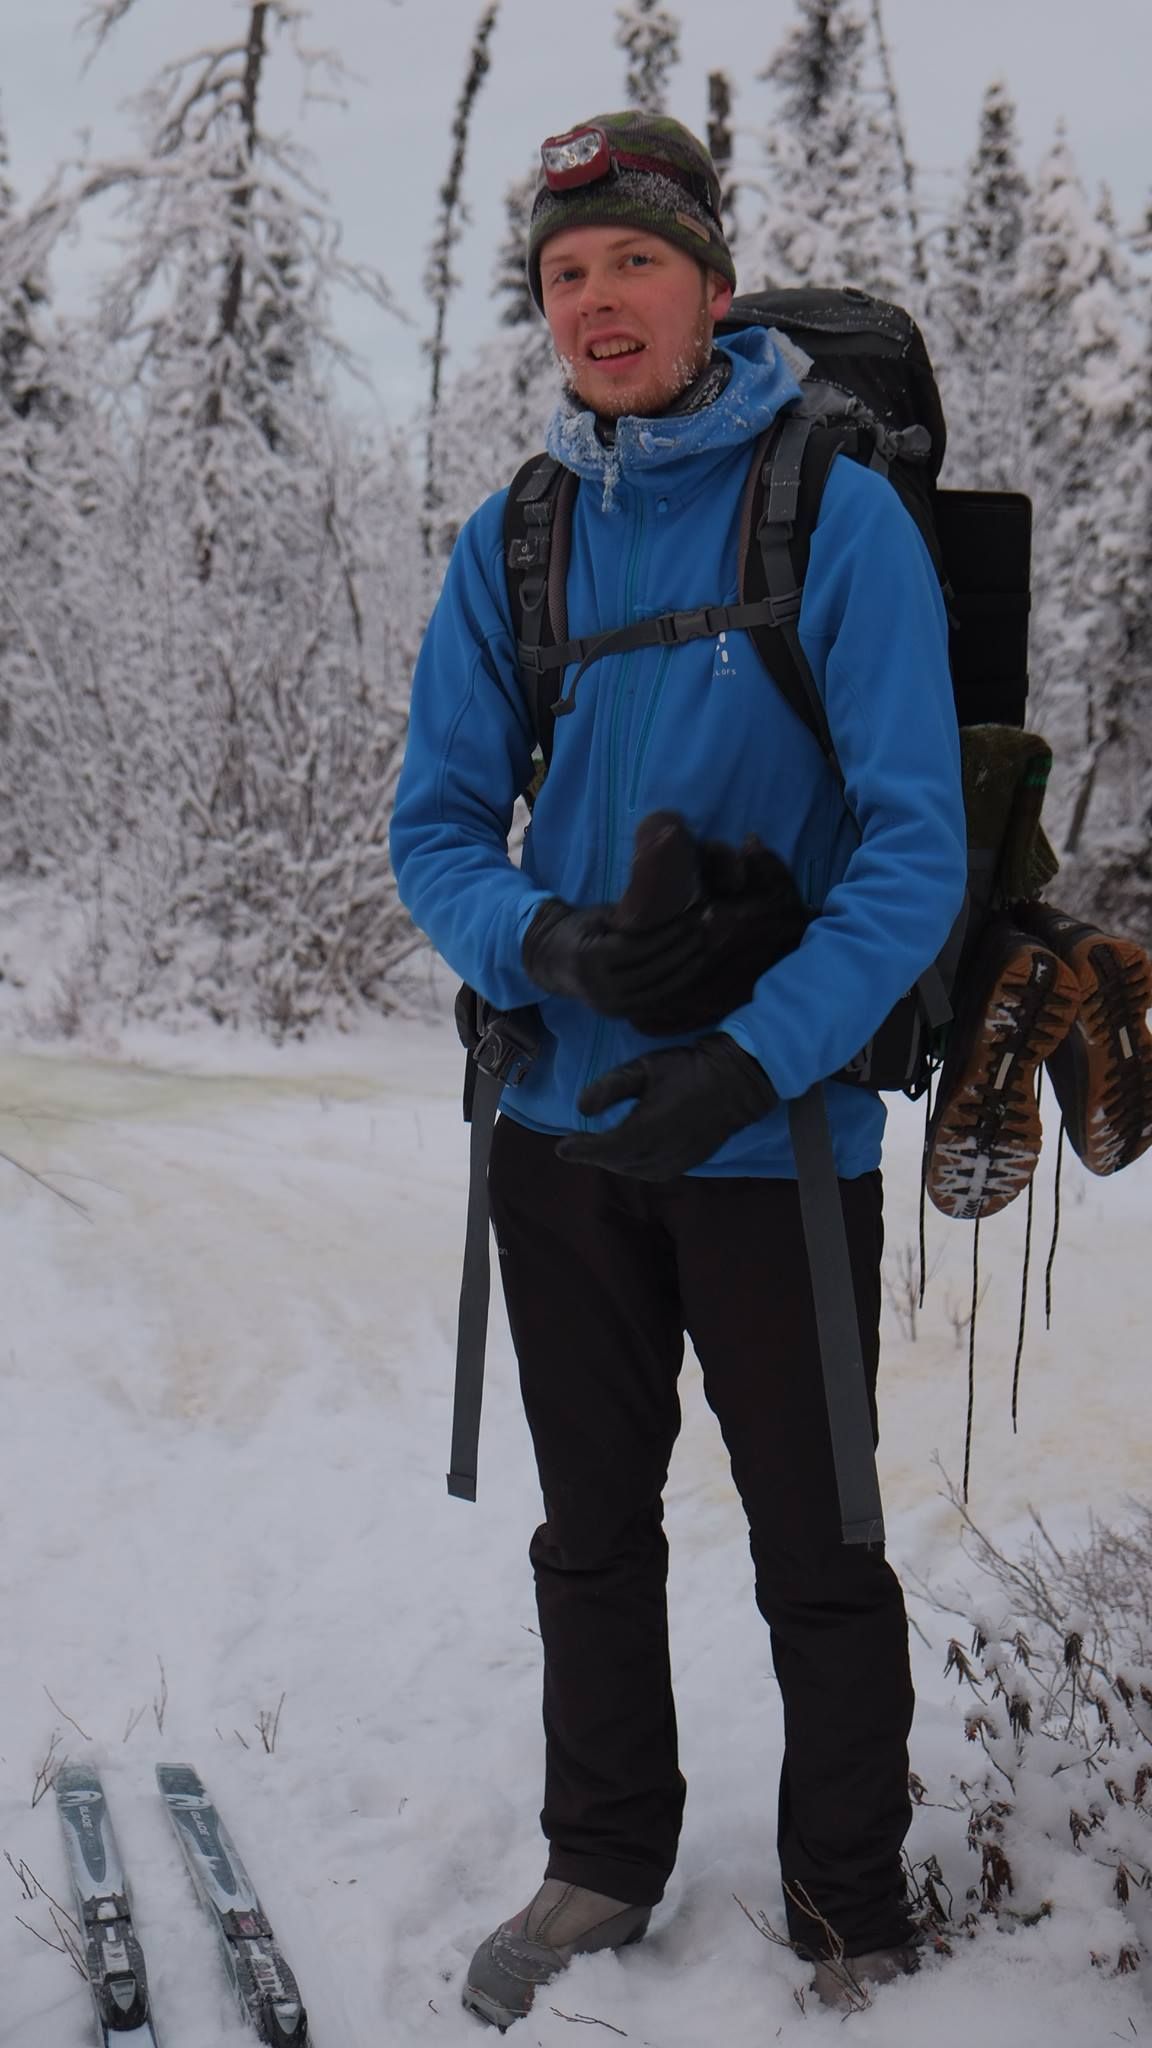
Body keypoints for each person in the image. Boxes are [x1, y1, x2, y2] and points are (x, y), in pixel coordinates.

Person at [390, 111, 968, 2026]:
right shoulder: (518, 536)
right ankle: (602, 1854)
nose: (597, 302)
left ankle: (849, 1891)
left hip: (776, 1140)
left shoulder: (833, 512)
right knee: (593, 1531)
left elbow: (912, 848)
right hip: (557, 1128)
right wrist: (535, 945)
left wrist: (753, 1054)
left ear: (709, 282)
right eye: (564, 276)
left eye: (632, 262)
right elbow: (438, 828)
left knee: (821, 1537)